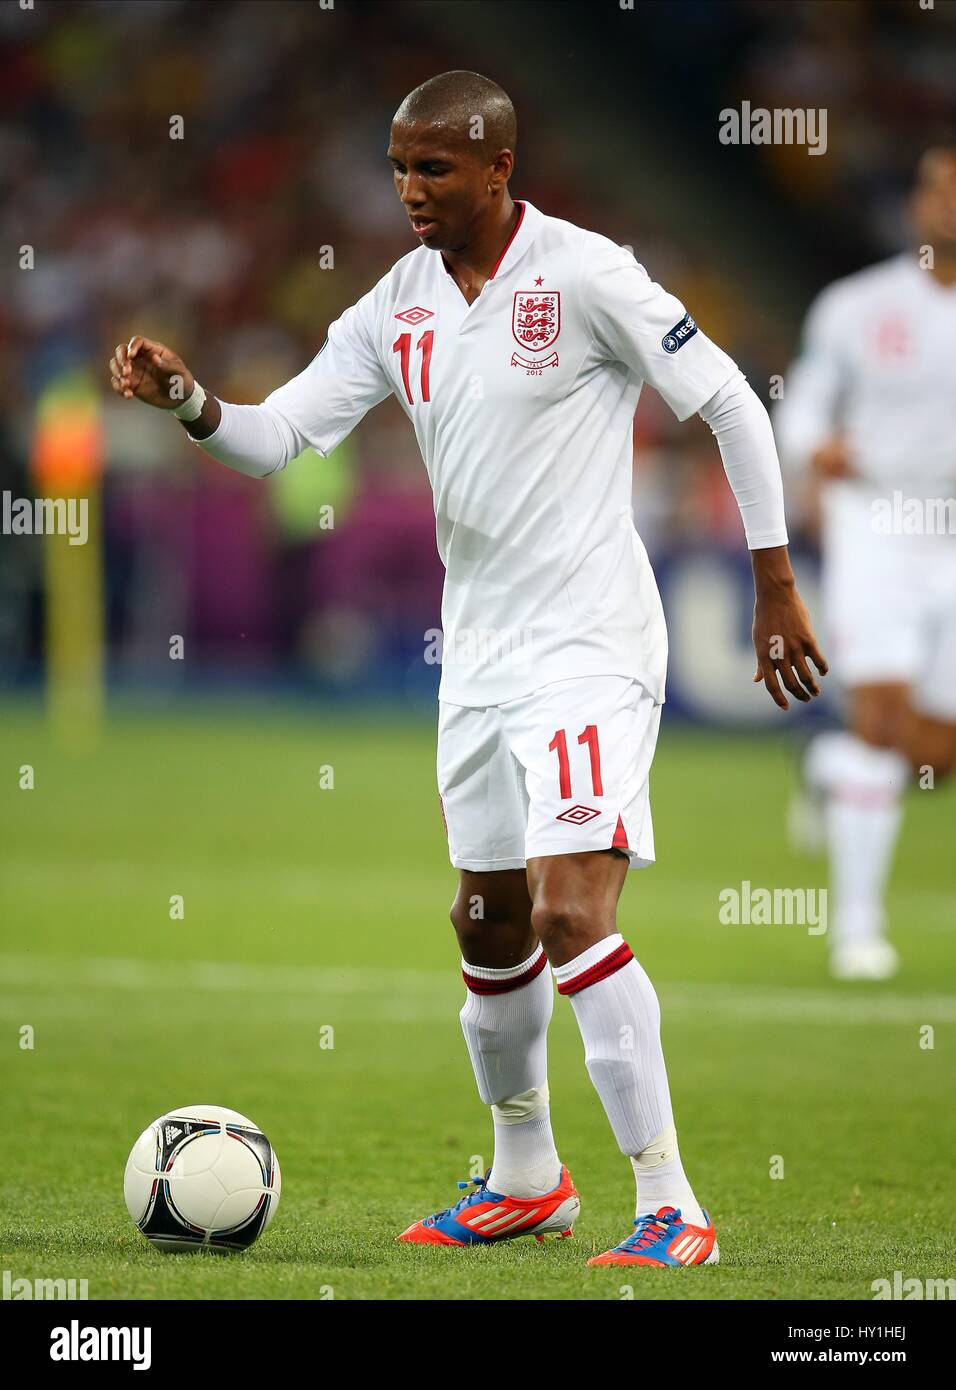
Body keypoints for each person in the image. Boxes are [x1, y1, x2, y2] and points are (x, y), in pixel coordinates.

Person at [108, 71, 826, 1268]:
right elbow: (278, 433)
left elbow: (729, 408)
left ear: (499, 168)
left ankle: (672, 1201)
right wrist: (189, 400)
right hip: (479, 655)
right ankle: (525, 1175)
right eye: (397, 168)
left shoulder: (587, 272)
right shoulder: (397, 305)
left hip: (589, 644)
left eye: (433, 168)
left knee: (565, 907)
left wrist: (773, 580)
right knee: (488, 925)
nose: (409, 191)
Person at [776, 148, 956, 982]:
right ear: (917, 202)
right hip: (878, 520)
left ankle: (829, 769)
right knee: (882, 722)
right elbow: (802, 408)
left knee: (931, 754)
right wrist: (819, 447)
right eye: (936, 188)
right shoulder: (858, 305)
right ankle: (856, 928)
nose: (946, 204)